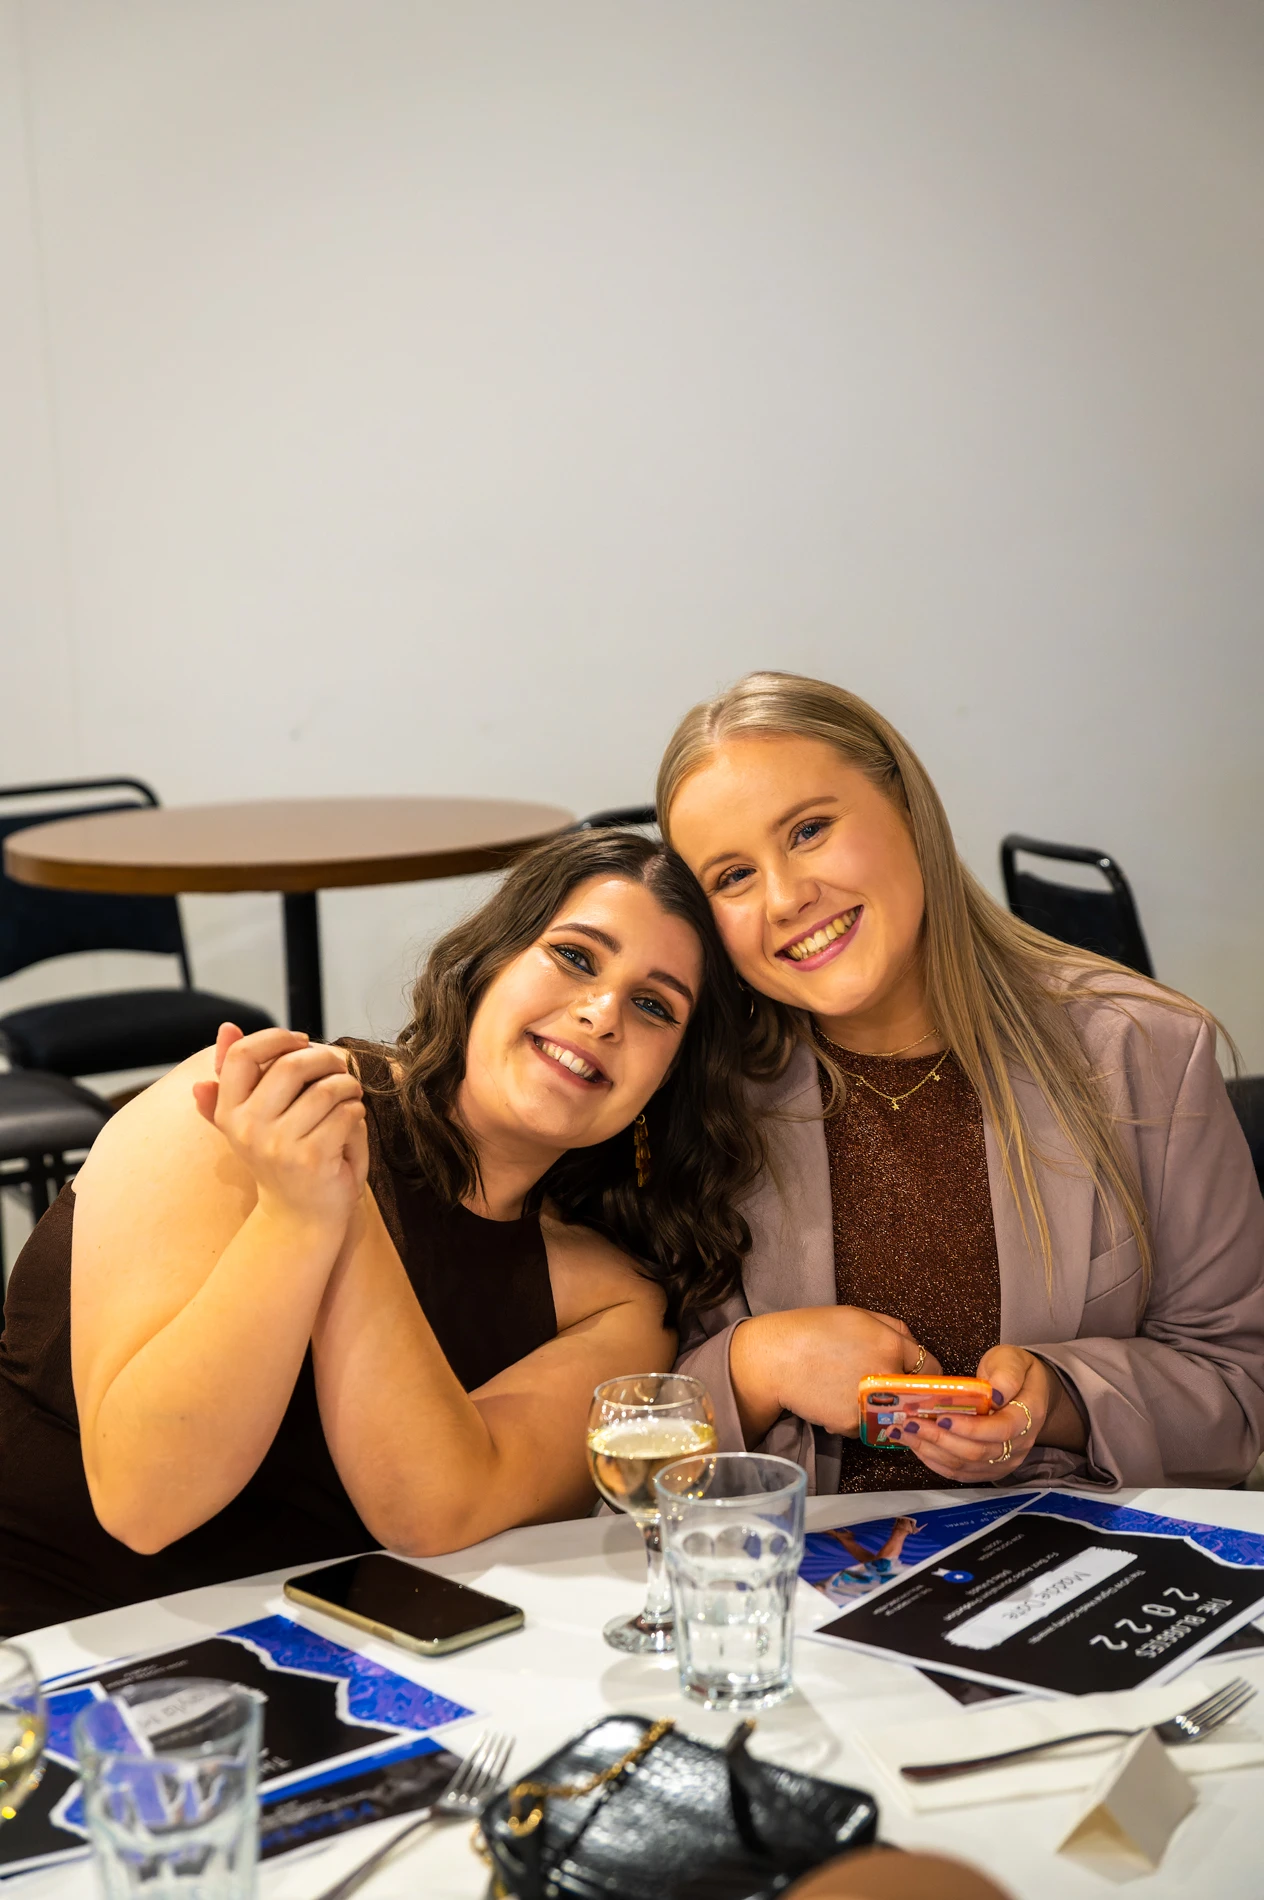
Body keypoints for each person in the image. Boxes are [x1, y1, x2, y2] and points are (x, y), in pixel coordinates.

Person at [0, 830, 762, 1635]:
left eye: (654, 1005)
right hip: (48, 1645)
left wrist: (339, 1200)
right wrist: (298, 1215)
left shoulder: (617, 1300)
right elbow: (145, 1501)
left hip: (325, 1670)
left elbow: (432, 1511)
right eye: (575, 957)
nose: (602, 1013)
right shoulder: (241, 1110)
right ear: (487, 965)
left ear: (671, 1076)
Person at [659, 670, 1264, 1493]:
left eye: (808, 830)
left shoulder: (1146, 1050)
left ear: (909, 807)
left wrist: (1063, 1400)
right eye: (732, 877)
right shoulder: (697, 1098)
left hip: (1066, 1574)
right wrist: (755, 1366)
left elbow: (1238, 1384)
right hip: (803, 1586)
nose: (787, 898)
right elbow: (624, 1418)